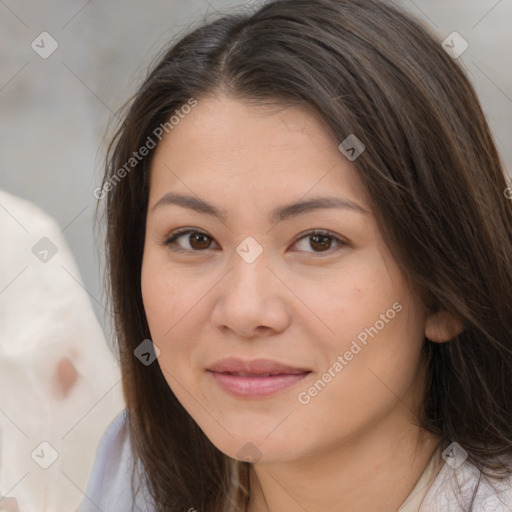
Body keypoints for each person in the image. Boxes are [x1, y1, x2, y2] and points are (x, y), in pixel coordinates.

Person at [78, 0, 512, 510]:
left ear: (446, 294)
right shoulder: (134, 470)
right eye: (196, 239)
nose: (244, 310)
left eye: (318, 241)